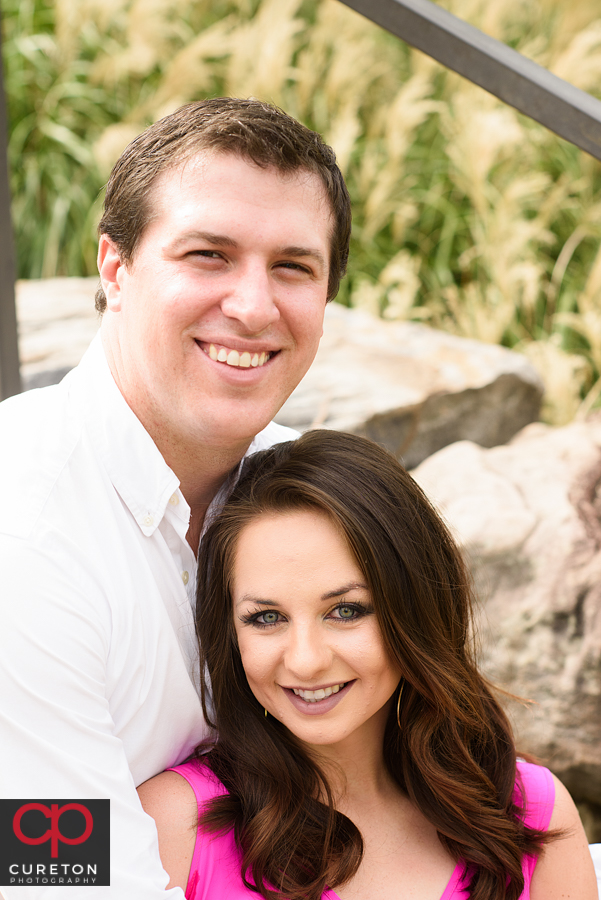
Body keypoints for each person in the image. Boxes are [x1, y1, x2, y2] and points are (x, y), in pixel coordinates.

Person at [0, 99, 351, 898]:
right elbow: (66, 882)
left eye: (292, 267)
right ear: (115, 269)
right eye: (208, 255)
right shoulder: (20, 536)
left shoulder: (311, 492)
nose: (254, 306)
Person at [138, 430, 598, 900]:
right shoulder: (164, 823)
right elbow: (58, 862)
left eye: (346, 611)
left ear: (414, 609)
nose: (306, 660)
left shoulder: (532, 810)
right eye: (267, 617)